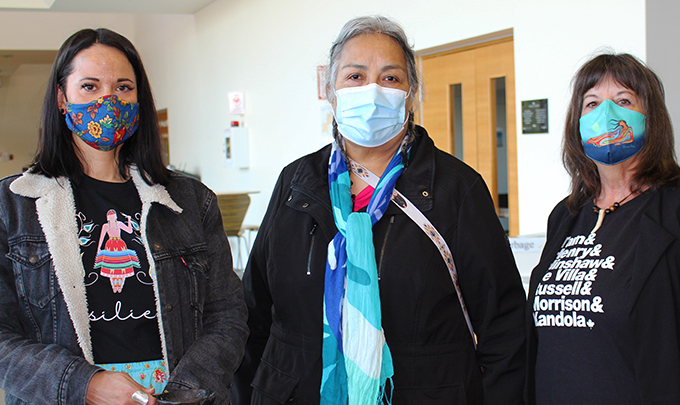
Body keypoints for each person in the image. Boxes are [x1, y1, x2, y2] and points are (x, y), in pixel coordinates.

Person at [236, 15, 525, 405]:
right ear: (331, 91)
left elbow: (504, 329)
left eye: (390, 78)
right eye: (355, 76)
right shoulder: (296, 183)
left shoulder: (456, 189)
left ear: (411, 93)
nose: (372, 90)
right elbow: (255, 312)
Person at [0, 28, 248, 405]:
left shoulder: (189, 201)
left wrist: (183, 392)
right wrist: (84, 385)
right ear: (61, 98)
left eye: (123, 87)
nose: (107, 100)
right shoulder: (13, 205)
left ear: (139, 99)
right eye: (89, 86)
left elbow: (227, 314)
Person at [526, 53, 680, 404]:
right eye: (592, 103)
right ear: (577, 122)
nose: (606, 114)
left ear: (651, 118)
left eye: (624, 100)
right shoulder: (565, 217)